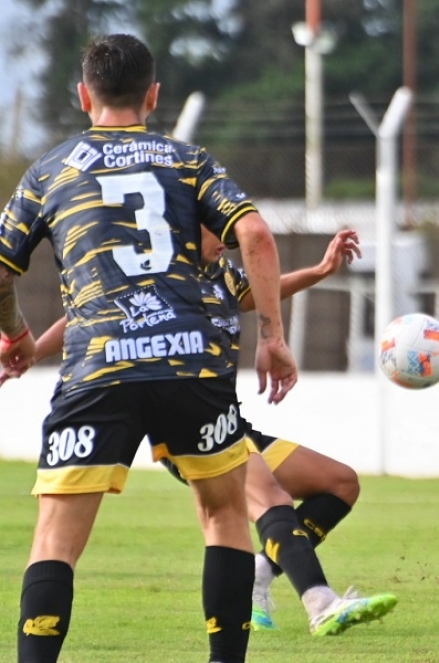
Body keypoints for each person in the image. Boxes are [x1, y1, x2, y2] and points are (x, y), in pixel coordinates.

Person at [0, 34, 299, 663]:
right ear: (154, 96)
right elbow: (256, 235)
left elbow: (1, 271)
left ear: (84, 95)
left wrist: (17, 336)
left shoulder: (51, 169)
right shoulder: (188, 160)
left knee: (56, 539)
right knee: (223, 517)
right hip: (192, 357)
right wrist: (272, 336)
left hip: (99, 364)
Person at [9, 228, 397, 636]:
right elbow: (86, 316)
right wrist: (31, 351)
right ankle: (321, 603)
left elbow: (260, 292)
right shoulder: (158, 270)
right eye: (217, 229)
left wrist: (320, 271)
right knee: (269, 498)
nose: (227, 240)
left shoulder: (222, 275)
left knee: (340, 484)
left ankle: (259, 573)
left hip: (228, 420)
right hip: (186, 425)